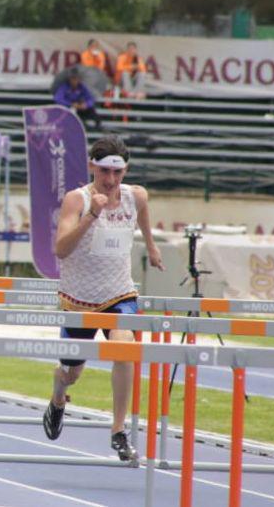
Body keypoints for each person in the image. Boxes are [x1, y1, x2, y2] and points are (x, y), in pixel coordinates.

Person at [44, 136, 164, 462]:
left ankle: (118, 430)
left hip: (119, 293)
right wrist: (91, 215)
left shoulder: (136, 195)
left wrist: (152, 246)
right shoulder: (77, 199)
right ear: (91, 167)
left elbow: (143, 215)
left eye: (117, 173)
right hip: (78, 299)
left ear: (126, 170)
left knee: (124, 348)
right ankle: (58, 395)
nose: (110, 180)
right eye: (104, 172)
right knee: (71, 374)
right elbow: (61, 249)